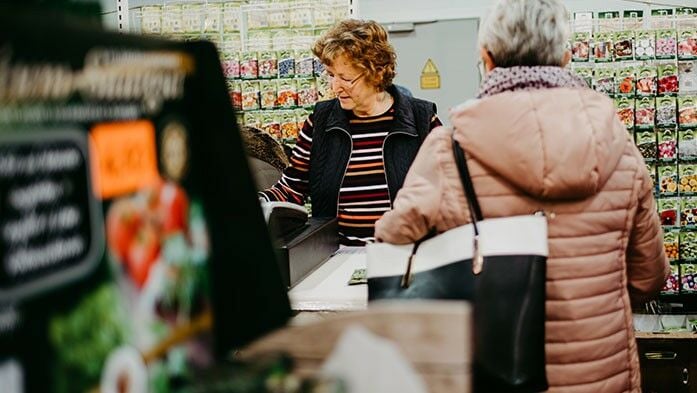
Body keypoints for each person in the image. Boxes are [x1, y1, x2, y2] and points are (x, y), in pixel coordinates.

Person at [374, 0, 669, 392]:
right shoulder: (620, 148)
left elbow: (394, 243)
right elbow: (649, 277)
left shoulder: (448, 148)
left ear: (486, 58)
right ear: (566, 57)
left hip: (494, 368)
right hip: (599, 373)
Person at [259, 19, 441, 245]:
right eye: (331, 75)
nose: (335, 87)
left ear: (377, 72)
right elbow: (292, 187)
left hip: (407, 256)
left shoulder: (421, 120)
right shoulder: (320, 123)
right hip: (337, 259)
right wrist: (257, 202)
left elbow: (448, 190)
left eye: (345, 78)